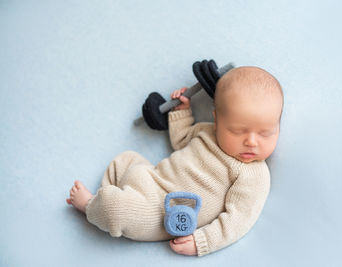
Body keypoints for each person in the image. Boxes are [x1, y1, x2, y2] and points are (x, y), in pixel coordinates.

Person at [66, 66, 284, 256]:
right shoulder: (206, 131)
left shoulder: (252, 173)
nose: (252, 142)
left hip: (163, 211)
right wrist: (181, 112)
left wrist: (202, 241)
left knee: (116, 208)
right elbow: (181, 141)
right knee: (124, 160)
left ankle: (91, 207)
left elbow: (238, 220)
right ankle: (105, 208)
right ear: (217, 120)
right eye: (238, 131)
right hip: (152, 178)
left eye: (266, 133)